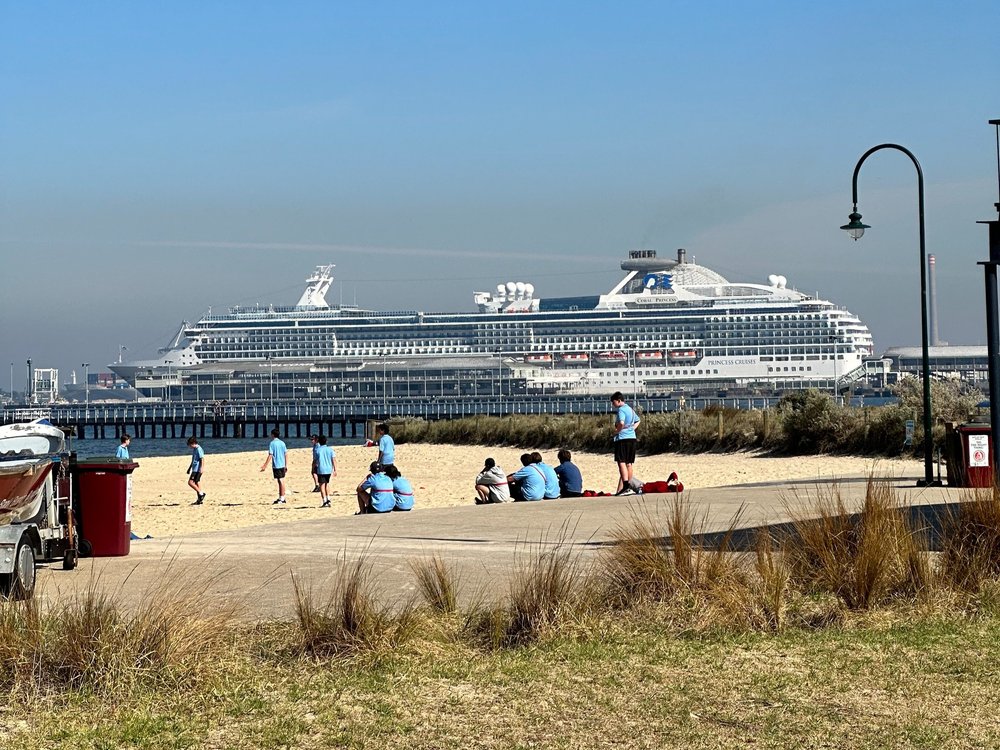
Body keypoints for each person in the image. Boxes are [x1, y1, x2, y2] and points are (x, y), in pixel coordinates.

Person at [611, 391, 640, 495]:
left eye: (613, 402)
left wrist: (617, 431)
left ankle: (626, 485)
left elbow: (621, 423)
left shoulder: (621, 410)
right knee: (629, 463)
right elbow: (638, 420)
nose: (612, 405)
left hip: (623, 438)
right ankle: (630, 485)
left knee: (621, 462)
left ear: (619, 401)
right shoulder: (630, 409)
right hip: (632, 437)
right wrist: (632, 429)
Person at [260, 428, 289, 504]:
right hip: (282, 464)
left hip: (277, 465)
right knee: (280, 481)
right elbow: (286, 454)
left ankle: (282, 498)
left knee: (281, 481)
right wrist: (286, 465)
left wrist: (265, 465)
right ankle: (281, 497)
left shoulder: (272, 443)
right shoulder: (282, 443)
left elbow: (270, 455)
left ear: (273, 435)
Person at [315, 434, 337, 508]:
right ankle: (328, 498)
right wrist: (335, 469)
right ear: (326, 441)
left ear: (319, 442)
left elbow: (316, 461)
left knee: (322, 485)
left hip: (321, 469)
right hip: (328, 469)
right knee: (327, 484)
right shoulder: (330, 449)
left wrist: (314, 467)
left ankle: (324, 501)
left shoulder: (318, 450)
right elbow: (333, 460)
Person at [186, 436, 206, 505]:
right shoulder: (195, 449)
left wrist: (202, 468)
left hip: (197, 469)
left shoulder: (199, 449)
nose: (190, 447)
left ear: (193, 443)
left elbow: (202, 459)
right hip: (194, 469)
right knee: (197, 482)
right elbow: (193, 460)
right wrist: (189, 468)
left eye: (190, 445)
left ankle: (201, 494)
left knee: (190, 482)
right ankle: (199, 499)